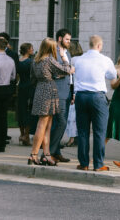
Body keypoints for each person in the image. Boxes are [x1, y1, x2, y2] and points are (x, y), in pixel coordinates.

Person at [72, 34, 117, 171]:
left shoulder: (78, 60)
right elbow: (112, 76)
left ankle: (84, 163)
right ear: (99, 46)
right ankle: (98, 164)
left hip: (81, 96)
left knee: (83, 131)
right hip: (97, 96)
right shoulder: (105, 60)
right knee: (99, 132)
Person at [29, 37, 73, 166]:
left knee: (47, 125)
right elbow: (67, 69)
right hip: (49, 90)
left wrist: (52, 75)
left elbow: (33, 78)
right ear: (50, 48)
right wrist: (64, 58)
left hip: (40, 89)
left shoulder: (35, 60)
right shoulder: (49, 59)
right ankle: (34, 154)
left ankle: (47, 155)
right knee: (42, 125)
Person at [48, 28, 73, 163]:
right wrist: (67, 72)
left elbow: (69, 73)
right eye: (67, 39)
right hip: (57, 92)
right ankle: (50, 152)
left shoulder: (66, 52)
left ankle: (56, 152)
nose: (69, 42)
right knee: (61, 123)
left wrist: (72, 91)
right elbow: (54, 73)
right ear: (59, 39)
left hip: (67, 91)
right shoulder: (54, 52)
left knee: (60, 123)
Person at [65, 40, 84, 146]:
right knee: (79, 117)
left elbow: (72, 78)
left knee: (71, 117)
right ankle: (77, 137)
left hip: (74, 90)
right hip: (83, 90)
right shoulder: (83, 59)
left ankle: (72, 138)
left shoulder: (71, 60)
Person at [16, 42, 35, 145]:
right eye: (31, 48)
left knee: (21, 110)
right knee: (28, 110)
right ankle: (26, 136)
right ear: (28, 50)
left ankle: (21, 133)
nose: (32, 50)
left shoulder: (18, 61)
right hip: (29, 86)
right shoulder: (30, 62)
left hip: (21, 86)